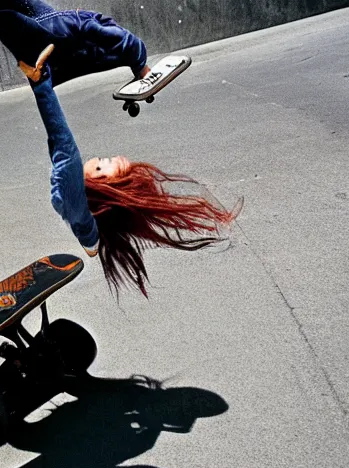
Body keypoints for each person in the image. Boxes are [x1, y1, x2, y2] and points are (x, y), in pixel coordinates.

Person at [20, 45, 243, 297]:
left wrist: (41, 85)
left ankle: (89, 239)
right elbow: (57, 148)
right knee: (64, 171)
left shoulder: (73, 184)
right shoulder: (75, 196)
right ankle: (90, 240)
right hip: (84, 217)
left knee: (64, 156)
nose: (101, 158)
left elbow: (62, 143)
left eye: (103, 164)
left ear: (100, 183)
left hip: (81, 212)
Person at [0, 0, 152, 85]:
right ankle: (137, 61)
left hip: (42, 55)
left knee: (82, 36)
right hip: (44, 46)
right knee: (84, 30)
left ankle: (137, 62)